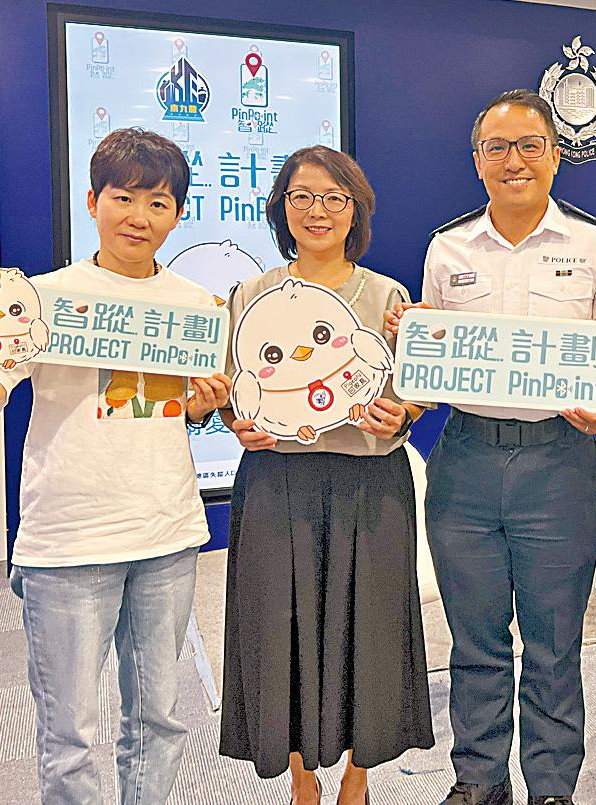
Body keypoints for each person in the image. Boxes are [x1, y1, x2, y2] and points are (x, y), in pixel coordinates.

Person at [0, 127, 232, 804]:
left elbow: (181, 410)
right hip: (68, 540)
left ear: (178, 215)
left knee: (159, 722)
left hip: (168, 535)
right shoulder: (44, 298)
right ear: (92, 201)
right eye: (123, 197)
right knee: (71, 737)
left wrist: (204, 406)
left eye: (159, 202)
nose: (139, 216)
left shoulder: (197, 307)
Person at [386, 89, 596, 805]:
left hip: (559, 460)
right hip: (466, 458)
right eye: (496, 147)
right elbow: (434, 358)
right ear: (477, 160)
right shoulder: (448, 247)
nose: (513, 160)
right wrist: (416, 346)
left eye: (529, 145)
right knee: (475, 639)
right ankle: (480, 778)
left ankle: (552, 786)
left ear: (556, 156)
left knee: (555, 642)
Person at [216, 146, 435, 804]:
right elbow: (231, 391)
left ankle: (358, 779)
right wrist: (235, 422)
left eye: (334, 198)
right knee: (277, 628)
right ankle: (301, 778)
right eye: (302, 196)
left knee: (369, 631)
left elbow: (414, 395)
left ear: (355, 210)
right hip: (276, 483)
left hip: (370, 485)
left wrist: (402, 415)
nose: (318, 210)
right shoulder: (250, 295)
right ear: (282, 207)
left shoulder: (388, 296)